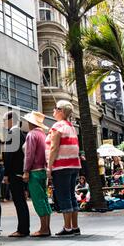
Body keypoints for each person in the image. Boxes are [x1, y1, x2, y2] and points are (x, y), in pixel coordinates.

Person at [46, 100, 82, 237]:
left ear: (61, 111)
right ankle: (75, 227)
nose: (53, 111)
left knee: (64, 196)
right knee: (71, 195)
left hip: (61, 166)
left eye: (55, 109)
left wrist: (49, 167)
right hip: (73, 165)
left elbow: (54, 148)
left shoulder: (57, 126)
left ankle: (67, 228)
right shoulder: (71, 126)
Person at [22, 111, 51, 237]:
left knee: (38, 200)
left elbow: (29, 155)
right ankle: (46, 227)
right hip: (43, 170)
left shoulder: (31, 135)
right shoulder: (42, 135)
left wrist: (26, 171)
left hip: (34, 171)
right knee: (44, 198)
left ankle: (44, 228)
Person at [3, 111, 30, 238]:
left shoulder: (12, 133)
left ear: (10, 120)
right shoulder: (21, 133)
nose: (4, 124)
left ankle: (22, 229)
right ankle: (24, 228)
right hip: (20, 171)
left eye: (4, 120)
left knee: (19, 202)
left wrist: (6, 173)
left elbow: (9, 155)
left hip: (14, 172)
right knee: (21, 202)